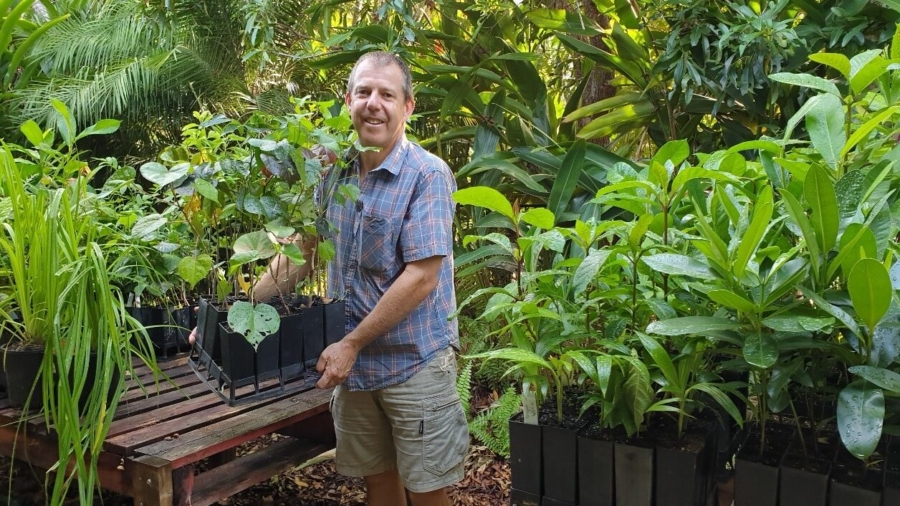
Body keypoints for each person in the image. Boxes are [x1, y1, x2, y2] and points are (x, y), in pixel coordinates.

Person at [195, 51, 468, 506]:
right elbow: (301, 253)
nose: (373, 104)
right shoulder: (332, 171)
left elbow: (422, 277)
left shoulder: (427, 175)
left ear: (408, 106)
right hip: (356, 368)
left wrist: (351, 344)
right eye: (364, 92)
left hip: (414, 363)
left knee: (425, 489)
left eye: (386, 94)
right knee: (377, 479)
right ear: (348, 101)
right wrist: (230, 317)